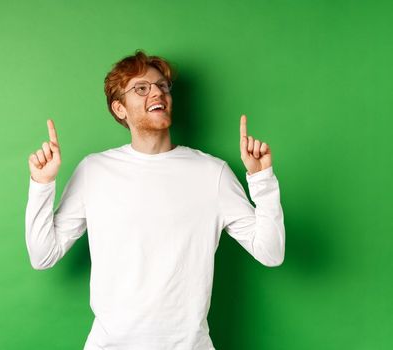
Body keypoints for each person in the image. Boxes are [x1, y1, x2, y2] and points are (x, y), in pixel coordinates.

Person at [24, 50, 285, 350]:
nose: (157, 92)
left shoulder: (212, 173)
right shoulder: (94, 171)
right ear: (120, 109)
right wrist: (42, 184)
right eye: (142, 88)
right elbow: (43, 255)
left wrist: (262, 179)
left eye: (162, 86)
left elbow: (271, 252)